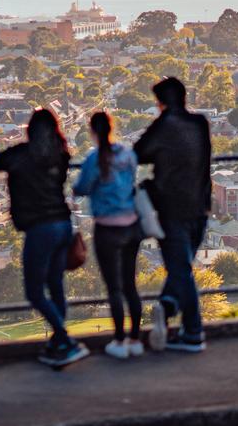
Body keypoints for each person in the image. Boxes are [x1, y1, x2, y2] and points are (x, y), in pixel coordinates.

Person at [0, 109, 88, 367]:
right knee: (55, 284)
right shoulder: (61, 155)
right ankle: (59, 341)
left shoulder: (23, 156)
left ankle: (65, 340)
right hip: (62, 224)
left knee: (35, 292)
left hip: (39, 227)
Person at [135, 77, 213, 354]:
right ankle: (167, 305)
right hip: (200, 207)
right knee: (182, 269)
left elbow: (139, 153)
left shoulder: (164, 125)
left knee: (181, 270)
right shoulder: (200, 124)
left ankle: (193, 332)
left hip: (171, 208)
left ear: (161, 103)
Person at [73, 111, 144, 359]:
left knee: (114, 288)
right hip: (132, 225)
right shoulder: (127, 154)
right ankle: (136, 339)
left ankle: (119, 340)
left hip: (107, 228)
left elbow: (81, 188)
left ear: (92, 132)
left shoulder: (94, 158)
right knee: (130, 286)